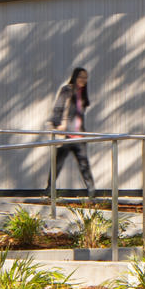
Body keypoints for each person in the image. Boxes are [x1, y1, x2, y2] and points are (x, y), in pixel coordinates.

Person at [47, 67, 95, 201]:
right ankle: (49, 189)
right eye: (81, 77)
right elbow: (58, 107)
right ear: (75, 76)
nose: (83, 80)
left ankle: (92, 191)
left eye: (85, 77)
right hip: (67, 134)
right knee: (58, 162)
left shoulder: (82, 93)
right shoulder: (67, 90)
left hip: (79, 135)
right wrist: (58, 124)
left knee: (84, 163)